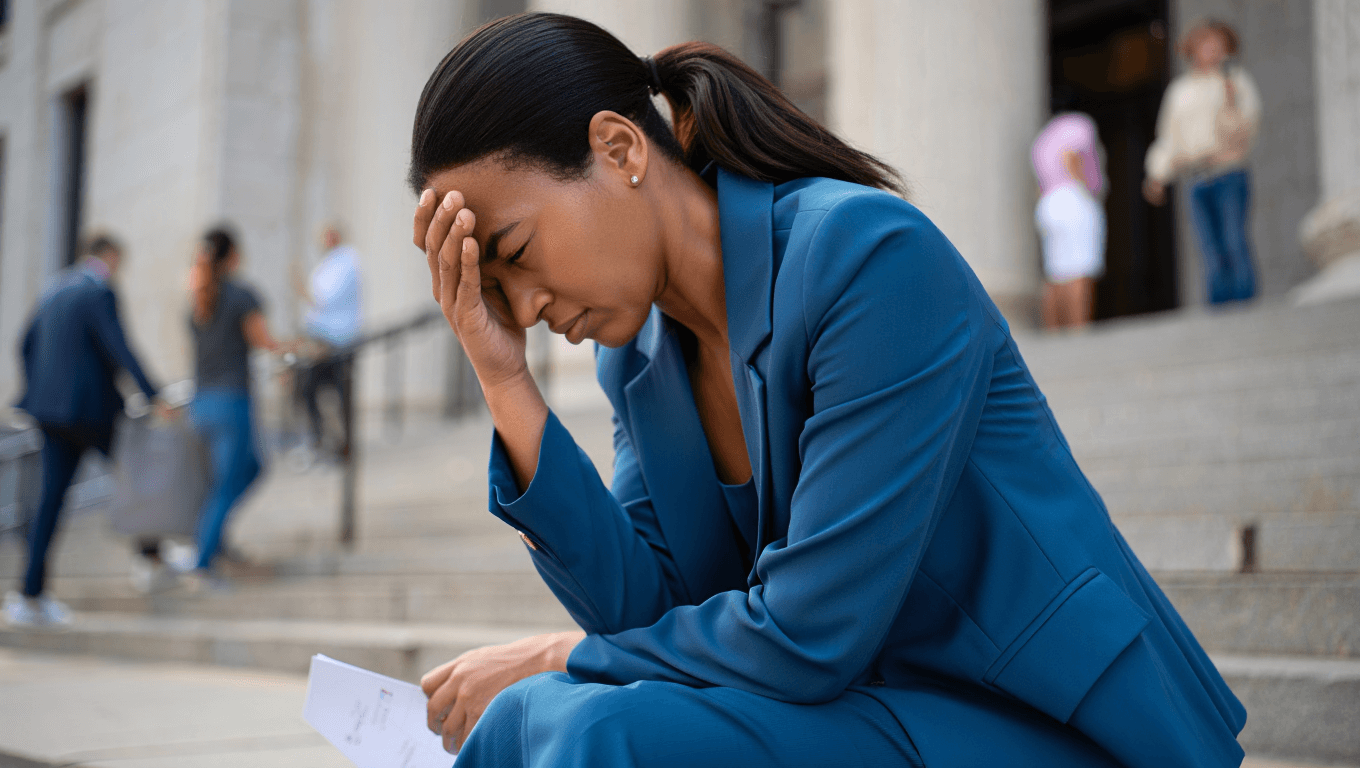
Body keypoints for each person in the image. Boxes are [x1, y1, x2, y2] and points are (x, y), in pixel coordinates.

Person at [411, 13, 1245, 768]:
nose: (524, 308)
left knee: (589, 727)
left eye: (515, 253)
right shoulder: (640, 365)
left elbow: (808, 635)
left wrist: (554, 656)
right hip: (866, 715)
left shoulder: (867, 259)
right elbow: (640, 623)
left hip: (1047, 726)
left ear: (621, 149)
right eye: (493, 291)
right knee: (542, 717)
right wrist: (504, 377)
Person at [7, 234, 163, 625]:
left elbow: (23, 344)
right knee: (135, 475)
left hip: (51, 415)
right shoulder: (98, 290)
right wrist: (153, 393)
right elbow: (118, 345)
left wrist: (37, 393)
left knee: (50, 502)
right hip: (90, 413)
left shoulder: (54, 290)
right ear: (109, 256)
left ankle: (30, 594)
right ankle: (152, 558)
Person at [182, 226, 282, 585]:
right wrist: (292, 351)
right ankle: (202, 562)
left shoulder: (197, 301)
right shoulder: (241, 295)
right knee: (228, 484)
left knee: (244, 471)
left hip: (201, 405)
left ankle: (214, 538)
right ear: (233, 256)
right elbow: (263, 341)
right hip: (230, 404)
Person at [1143, 18, 1261, 305]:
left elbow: (1245, 130)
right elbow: (1169, 136)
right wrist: (1157, 173)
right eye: (1206, 44)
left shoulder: (1236, 82)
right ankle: (1219, 307)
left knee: (1234, 241)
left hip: (1229, 172)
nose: (1212, 50)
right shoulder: (1180, 91)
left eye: (1219, 45)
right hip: (1196, 177)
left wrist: (1230, 101)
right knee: (1209, 248)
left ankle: (1245, 303)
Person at [1032, 113, 1106, 330]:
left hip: (1048, 202)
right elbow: (1072, 156)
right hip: (1072, 199)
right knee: (1079, 270)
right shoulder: (1080, 125)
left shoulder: (1042, 140)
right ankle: (1078, 329)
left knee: (1056, 272)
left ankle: (1055, 331)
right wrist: (1084, 186)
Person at [295, 224, 362, 460]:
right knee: (308, 390)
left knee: (338, 395)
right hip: (321, 341)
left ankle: (342, 446)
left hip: (337, 343)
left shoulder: (346, 262)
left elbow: (323, 300)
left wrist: (300, 288)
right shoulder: (330, 264)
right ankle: (322, 440)